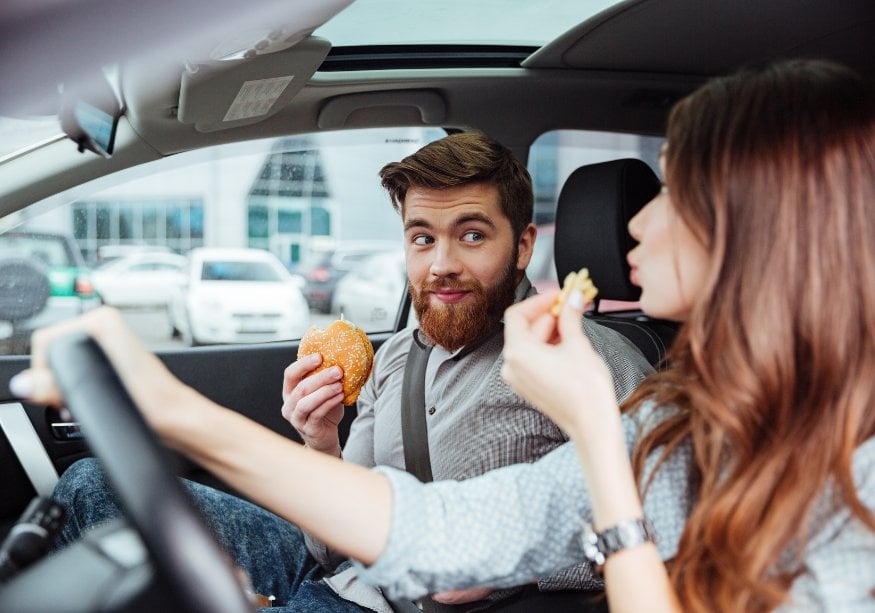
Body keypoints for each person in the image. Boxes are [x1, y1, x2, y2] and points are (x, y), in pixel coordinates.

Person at [17, 58, 872, 612]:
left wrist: (595, 440)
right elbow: (434, 526)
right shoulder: (686, 425)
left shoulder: (841, 470)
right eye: (421, 238)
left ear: (759, 231)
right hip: (358, 572)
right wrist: (175, 410)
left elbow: (518, 556)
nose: (631, 227)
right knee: (95, 488)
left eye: (672, 196)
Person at [44, 132, 653, 612]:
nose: (441, 264)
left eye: (471, 235)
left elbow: (666, 522)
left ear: (522, 247)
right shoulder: (393, 357)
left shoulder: (589, 359)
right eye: (421, 238)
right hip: (344, 581)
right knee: (92, 485)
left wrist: (510, 564)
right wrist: (321, 442)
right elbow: (335, 547)